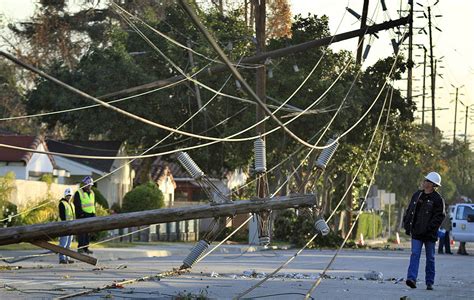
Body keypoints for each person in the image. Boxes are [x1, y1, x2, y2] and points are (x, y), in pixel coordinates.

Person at [403, 172, 445, 291]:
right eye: (425, 179)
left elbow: (440, 216)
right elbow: (410, 210)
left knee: (430, 258)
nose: (424, 181)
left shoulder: (437, 199)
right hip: (416, 233)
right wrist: (407, 224)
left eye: (427, 180)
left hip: (429, 235)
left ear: (432, 184)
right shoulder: (417, 195)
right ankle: (411, 279)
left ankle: (429, 282)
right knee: (415, 254)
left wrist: (430, 229)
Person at [73, 176, 96, 254]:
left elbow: (93, 204)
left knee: (87, 233)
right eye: (88, 185)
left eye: (90, 185)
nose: (89, 186)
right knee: (82, 232)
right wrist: (81, 214)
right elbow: (77, 205)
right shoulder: (78, 193)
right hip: (82, 215)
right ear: (84, 184)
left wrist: (94, 214)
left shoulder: (92, 193)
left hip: (90, 215)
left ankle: (86, 248)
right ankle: (80, 248)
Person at [58, 188, 75, 264]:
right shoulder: (62, 203)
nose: (69, 197)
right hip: (64, 227)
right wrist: (65, 225)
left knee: (68, 244)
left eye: (70, 195)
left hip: (71, 226)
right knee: (63, 244)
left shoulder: (71, 204)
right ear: (65, 195)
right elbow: (62, 216)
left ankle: (67, 257)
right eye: (68, 195)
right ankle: (62, 258)